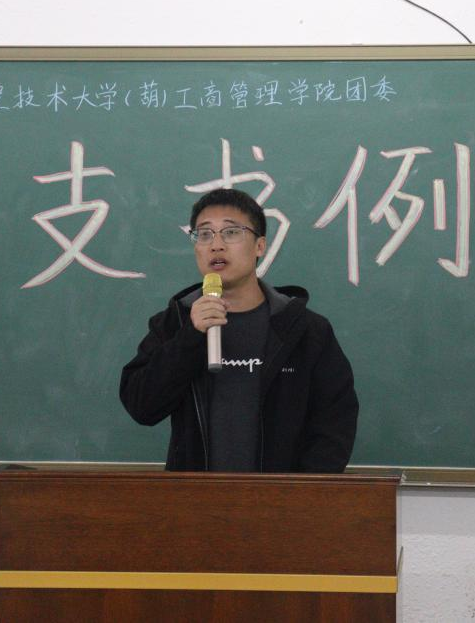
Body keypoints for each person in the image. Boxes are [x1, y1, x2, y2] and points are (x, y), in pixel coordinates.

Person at [119, 188, 358, 473]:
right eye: (204, 234)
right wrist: (190, 338)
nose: (216, 245)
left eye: (231, 232)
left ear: (260, 246)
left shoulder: (305, 330)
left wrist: (299, 492)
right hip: (195, 498)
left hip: (282, 498)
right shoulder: (176, 323)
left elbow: (335, 422)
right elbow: (142, 406)